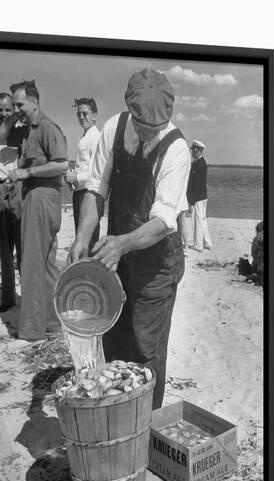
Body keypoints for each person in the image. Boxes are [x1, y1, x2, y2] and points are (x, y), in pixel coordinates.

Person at [69, 68, 190, 410]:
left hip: (157, 265)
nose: (150, 135)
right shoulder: (113, 127)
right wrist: (82, 237)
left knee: (145, 349)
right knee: (115, 339)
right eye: (144, 127)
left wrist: (121, 243)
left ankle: (145, 428)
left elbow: (164, 221)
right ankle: (117, 421)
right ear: (132, 114)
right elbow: (95, 190)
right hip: (118, 258)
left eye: (157, 129)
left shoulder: (176, 149)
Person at [8, 80, 68, 348]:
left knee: (32, 263)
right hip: (41, 198)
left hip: (42, 197)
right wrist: (12, 117)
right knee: (45, 265)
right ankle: (53, 325)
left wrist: (28, 172)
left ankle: (32, 331)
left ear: (35, 101)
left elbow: (62, 164)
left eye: (19, 104)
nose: (16, 109)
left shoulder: (47, 127)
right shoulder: (27, 130)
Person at [0, 93, 28, 313]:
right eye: (0, 110)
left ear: (13, 109)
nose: (4, 113)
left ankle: (28, 296)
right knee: (4, 248)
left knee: (23, 245)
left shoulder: (22, 131)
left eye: (8, 109)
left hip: (18, 188)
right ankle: (8, 298)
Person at [64, 98, 101, 250]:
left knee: (88, 238)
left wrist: (75, 177)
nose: (81, 117)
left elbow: (96, 171)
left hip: (89, 194)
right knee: (80, 236)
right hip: (79, 192)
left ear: (94, 115)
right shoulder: (85, 137)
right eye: (79, 114)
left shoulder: (96, 137)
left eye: (85, 113)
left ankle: (89, 270)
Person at [186, 139, 212, 252]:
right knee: (202, 220)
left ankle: (198, 245)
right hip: (201, 197)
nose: (193, 151)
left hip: (198, 198)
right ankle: (207, 243)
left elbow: (197, 185)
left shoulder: (200, 165)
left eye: (195, 150)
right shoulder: (198, 163)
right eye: (192, 149)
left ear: (200, 151)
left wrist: (191, 201)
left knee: (197, 221)